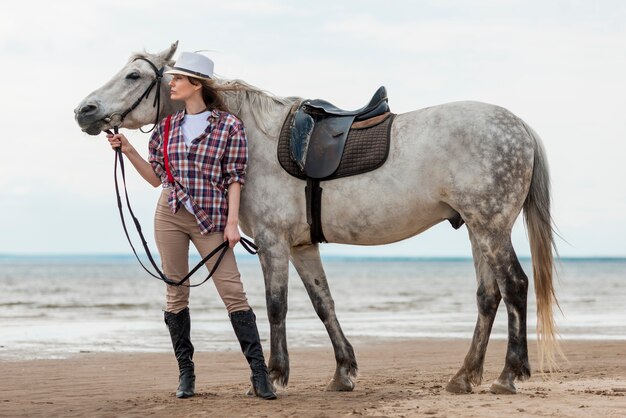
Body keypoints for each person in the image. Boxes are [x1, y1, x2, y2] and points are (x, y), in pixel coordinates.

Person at [107, 52, 276, 400]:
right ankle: (186, 375)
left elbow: (234, 178)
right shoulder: (166, 128)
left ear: (196, 85)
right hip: (169, 214)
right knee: (175, 293)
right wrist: (127, 149)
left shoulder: (228, 126)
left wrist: (232, 225)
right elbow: (156, 179)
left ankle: (260, 375)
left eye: (178, 79)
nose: (172, 84)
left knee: (233, 293)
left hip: (210, 219)